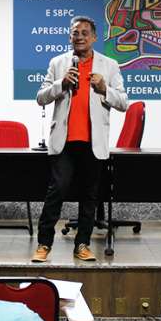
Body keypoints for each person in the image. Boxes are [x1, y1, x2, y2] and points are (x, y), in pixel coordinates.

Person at [32, 15, 128, 263]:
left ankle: (82, 244)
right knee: (57, 191)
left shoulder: (109, 65)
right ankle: (44, 244)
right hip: (64, 142)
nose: (80, 37)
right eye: (75, 33)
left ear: (94, 38)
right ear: (69, 37)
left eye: (85, 33)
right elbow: (41, 97)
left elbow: (123, 102)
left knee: (89, 196)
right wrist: (61, 84)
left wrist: (104, 89)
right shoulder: (58, 63)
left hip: (93, 142)